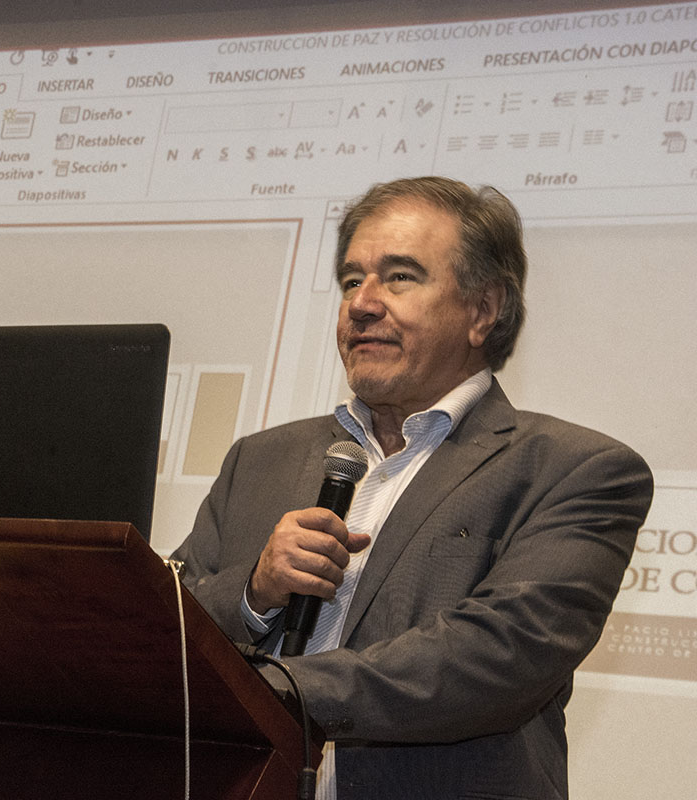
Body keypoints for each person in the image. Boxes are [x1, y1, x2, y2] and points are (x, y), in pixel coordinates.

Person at [171, 176, 652, 799]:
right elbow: (164, 625)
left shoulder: (575, 470)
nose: (363, 303)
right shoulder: (259, 459)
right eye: (351, 281)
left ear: (483, 311)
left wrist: (278, 688)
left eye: (399, 277)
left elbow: (497, 659)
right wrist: (256, 591)